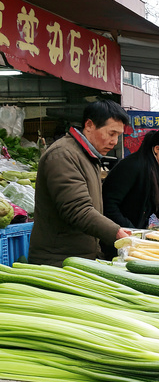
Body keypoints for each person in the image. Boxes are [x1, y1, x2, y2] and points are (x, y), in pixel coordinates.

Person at [29, 100, 131, 267]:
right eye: (111, 133)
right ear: (89, 125)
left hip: (79, 258)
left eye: (118, 135)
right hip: (58, 261)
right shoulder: (62, 155)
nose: (114, 141)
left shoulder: (88, 156)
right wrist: (116, 232)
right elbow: (77, 209)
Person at [103, 126, 159, 231]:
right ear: (157, 149)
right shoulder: (132, 166)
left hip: (135, 231)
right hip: (118, 232)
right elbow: (109, 204)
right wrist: (130, 231)